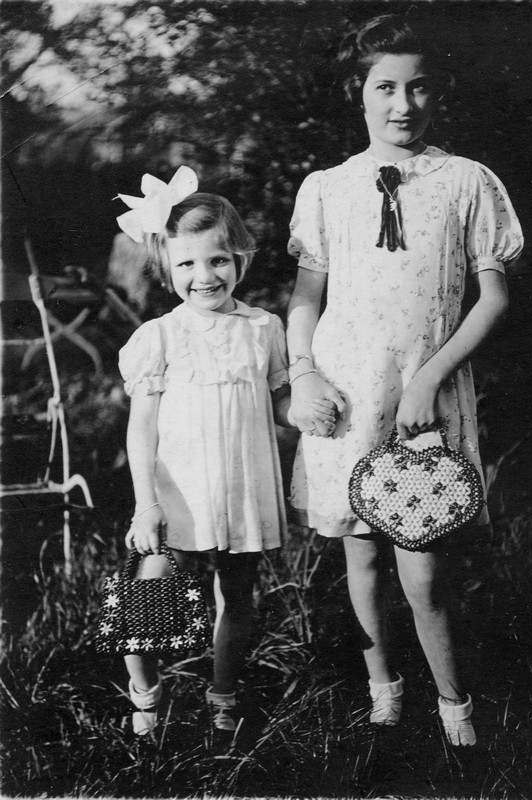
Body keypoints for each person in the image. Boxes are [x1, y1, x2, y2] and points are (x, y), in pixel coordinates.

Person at [286, 15, 523, 746]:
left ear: (436, 92)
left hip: (424, 397)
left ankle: (458, 718)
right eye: (385, 86)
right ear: (356, 93)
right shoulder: (327, 188)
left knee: (422, 570)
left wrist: (430, 378)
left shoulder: (466, 181)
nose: (403, 104)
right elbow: (305, 299)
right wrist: (302, 376)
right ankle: (382, 696)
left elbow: (495, 298)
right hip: (348, 393)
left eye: (418, 87)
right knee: (359, 554)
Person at [115, 167, 336, 737]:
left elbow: (285, 401)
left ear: (240, 259)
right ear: (166, 269)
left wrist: (313, 407)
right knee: (148, 590)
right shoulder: (159, 337)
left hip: (242, 485)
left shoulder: (263, 328)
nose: (204, 275)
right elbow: (141, 429)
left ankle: (223, 696)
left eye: (217, 260)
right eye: (186, 263)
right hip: (176, 491)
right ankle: (145, 697)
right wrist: (146, 504)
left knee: (235, 593)